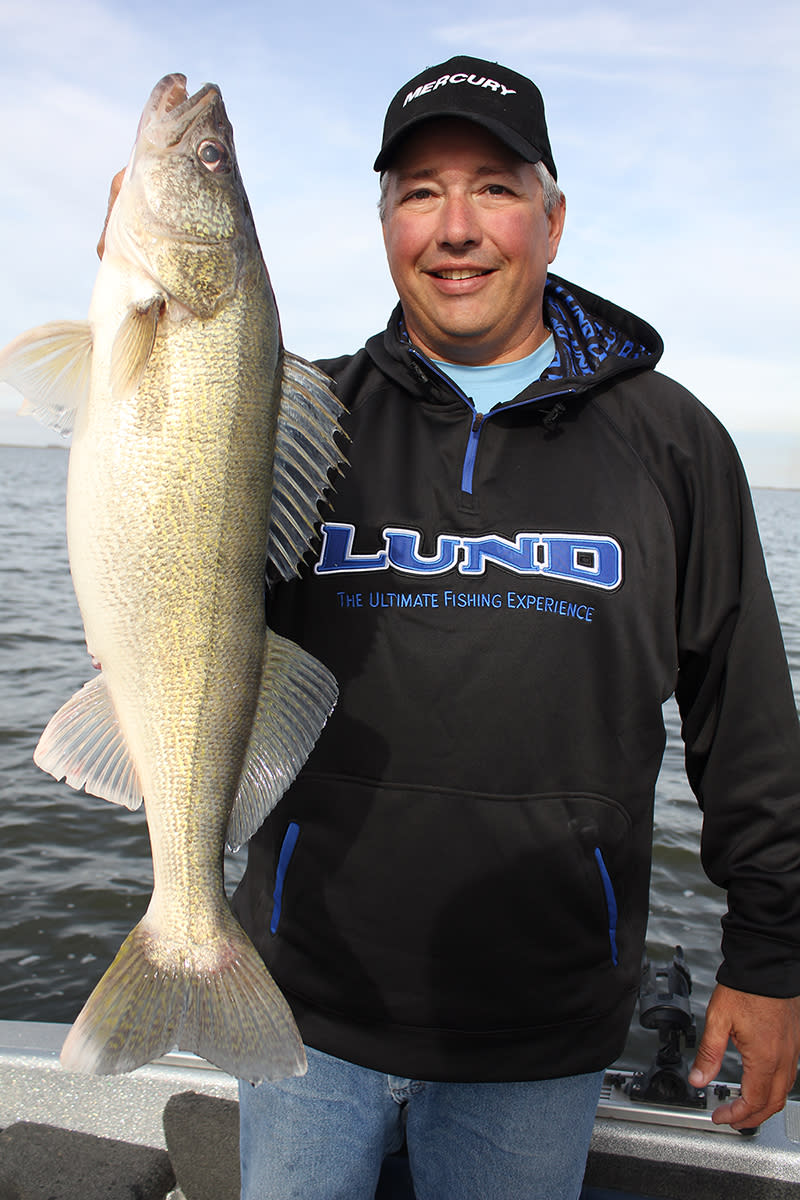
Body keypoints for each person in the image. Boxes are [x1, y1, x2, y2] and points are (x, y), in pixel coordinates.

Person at [223, 54, 800, 1198]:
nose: (455, 226)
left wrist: (771, 955)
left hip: (536, 1017)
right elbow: (182, 615)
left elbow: (743, 717)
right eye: (417, 191)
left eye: (491, 186)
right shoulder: (291, 418)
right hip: (301, 997)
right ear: (382, 222)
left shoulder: (673, 443)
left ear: (552, 215)